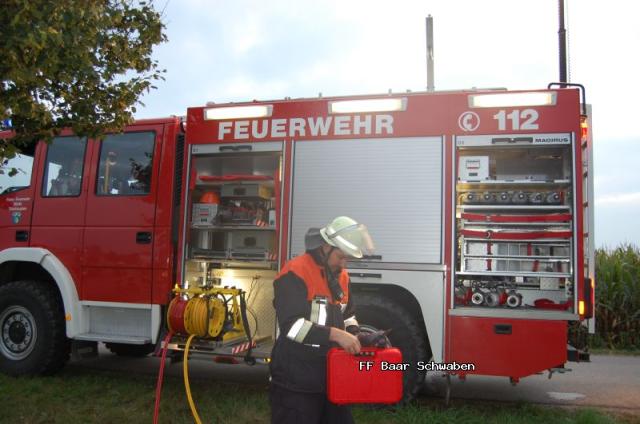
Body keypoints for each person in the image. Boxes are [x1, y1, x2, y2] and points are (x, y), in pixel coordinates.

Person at [269, 216, 375, 424]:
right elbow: (292, 327)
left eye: (347, 259)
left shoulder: (341, 276)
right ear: (325, 247)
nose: (344, 264)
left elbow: (348, 314)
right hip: (296, 380)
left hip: (331, 376)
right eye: (340, 257)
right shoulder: (295, 272)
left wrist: (355, 334)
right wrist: (336, 335)